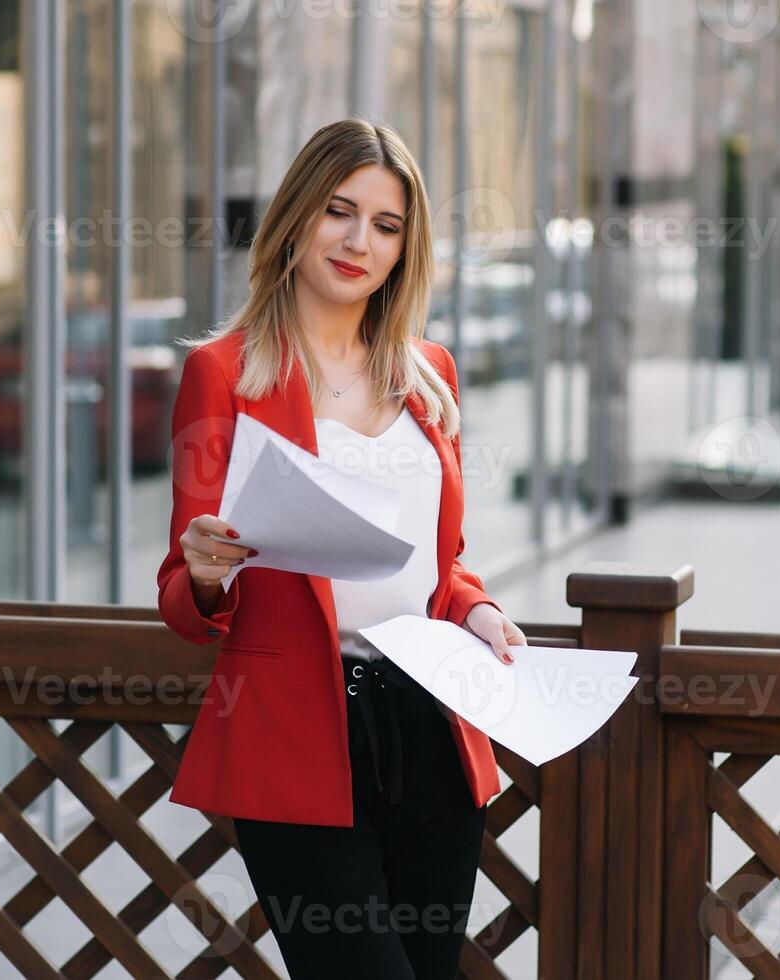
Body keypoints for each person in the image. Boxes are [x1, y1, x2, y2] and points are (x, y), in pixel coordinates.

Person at [154, 117, 527, 979]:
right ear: (295, 219)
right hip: (297, 733)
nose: (360, 241)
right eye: (339, 212)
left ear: (406, 248)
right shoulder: (226, 372)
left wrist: (475, 606)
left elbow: (443, 561)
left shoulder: (428, 373)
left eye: (387, 225)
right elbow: (182, 592)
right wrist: (208, 572)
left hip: (433, 723)